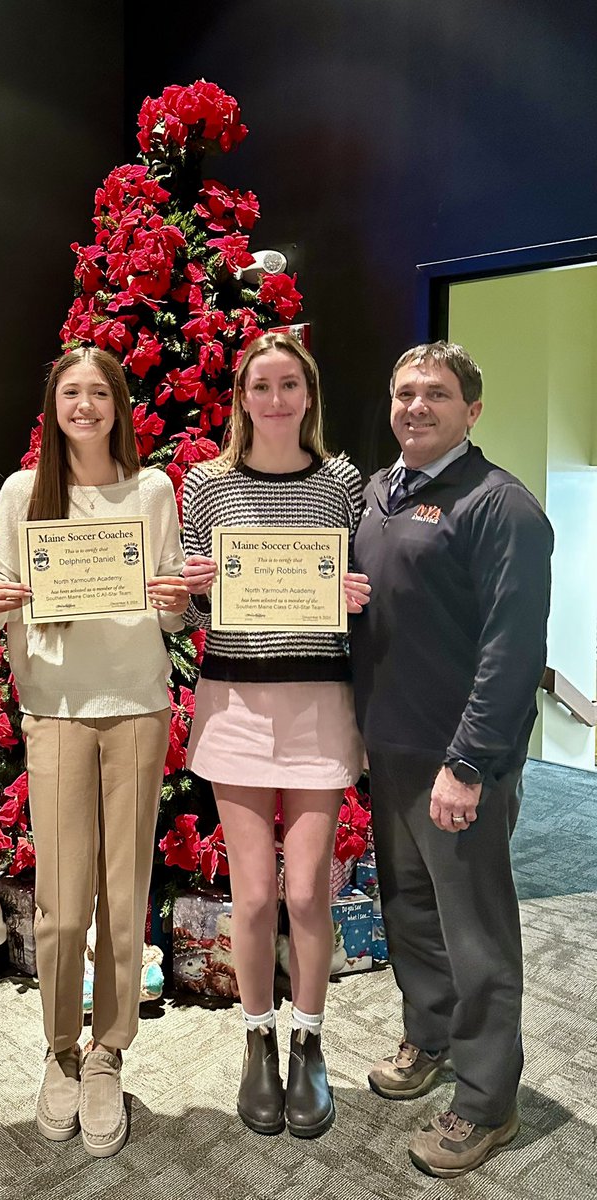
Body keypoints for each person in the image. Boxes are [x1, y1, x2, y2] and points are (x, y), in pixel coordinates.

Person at [0, 346, 187, 1158]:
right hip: (55, 708)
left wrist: (174, 600)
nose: (85, 405)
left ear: (118, 405)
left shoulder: (152, 490)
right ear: (53, 405)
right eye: (71, 392)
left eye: (100, 392)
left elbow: (173, 610)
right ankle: (61, 1049)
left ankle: (108, 1052)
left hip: (136, 706)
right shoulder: (23, 493)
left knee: (123, 896)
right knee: (62, 906)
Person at [351, 341, 553, 1178]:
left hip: (457, 762)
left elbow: (513, 649)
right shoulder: (377, 493)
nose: (416, 406)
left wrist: (468, 763)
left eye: (436, 393)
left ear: (472, 409)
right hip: (390, 749)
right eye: (405, 392)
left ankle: (486, 1103)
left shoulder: (501, 506)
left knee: (476, 934)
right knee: (410, 911)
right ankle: (429, 1038)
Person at [181, 330, 371, 1139]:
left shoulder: (342, 482)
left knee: (306, 894)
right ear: (241, 398)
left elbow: (365, 583)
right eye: (261, 385)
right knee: (255, 896)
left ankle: (310, 1042)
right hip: (236, 704)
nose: (276, 399)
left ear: (309, 394)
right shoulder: (207, 485)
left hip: (320, 706)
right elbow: (187, 612)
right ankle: (257, 1037)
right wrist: (192, 592)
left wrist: (357, 593)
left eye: (290, 384)